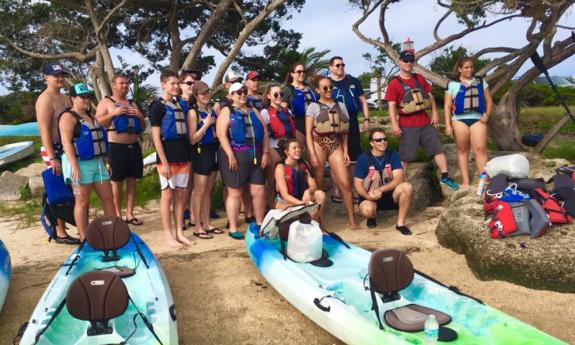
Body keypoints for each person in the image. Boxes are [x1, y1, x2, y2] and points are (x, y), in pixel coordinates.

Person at [384, 50, 459, 190]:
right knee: (405, 156)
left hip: (425, 122)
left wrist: (435, 113)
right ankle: (398, 184)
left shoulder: (419, 78)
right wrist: (394, 125)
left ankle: (445, 177)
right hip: (407, 124)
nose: (409, 63)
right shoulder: (394, 83)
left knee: (437, 149)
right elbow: (391, 105)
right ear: (400, 62)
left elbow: (430, 96)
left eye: (411, 61)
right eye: (406, 61)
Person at [59, 83, 116, 241]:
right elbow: (67, 143)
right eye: (82, 97)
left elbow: (100, 141)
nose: (86, 100)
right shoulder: (68, 117)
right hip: (80, 165)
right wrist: (74, 166)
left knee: (108, 198)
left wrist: (107, 162)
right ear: (73, 99)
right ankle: (84, 237)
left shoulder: (91, 116)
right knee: (82, 201)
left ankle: (112, 232)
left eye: (87, 96)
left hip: (98, 163)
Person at [216, 82, 270, 239]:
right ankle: (233, 227)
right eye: (238, 92)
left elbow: (265, 133)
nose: (242, 94)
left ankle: (260, 224)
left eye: (244, 91)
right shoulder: (227, 111)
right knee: (235, 192)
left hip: (256, 155)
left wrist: (266, 152)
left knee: (259, 191)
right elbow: (221, 134)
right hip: (236, 155)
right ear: (231, 95)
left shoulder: (253, 110)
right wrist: (230, 155)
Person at [35, 62, 80, 244]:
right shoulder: (45, 100)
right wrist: (52, 157)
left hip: (66, 146)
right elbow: (44, 131)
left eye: (62, 75)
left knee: (70, 187)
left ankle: (69, 224)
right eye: (56, 75)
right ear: (46, 77)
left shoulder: (64, 97)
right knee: (58, 190)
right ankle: (60, 231)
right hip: (52, 148)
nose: (60, 78)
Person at [306, 75, 358, 229]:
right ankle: (318, 220)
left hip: (336, 144)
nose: (329, 90)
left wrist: (346, 151)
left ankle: (352, 219)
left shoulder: (340, 105)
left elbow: (344, 131)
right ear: (318, 90)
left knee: (345, 183)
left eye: (330, 87)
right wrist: (312, 154)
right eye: (325, 88)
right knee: (319, 184)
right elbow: (309, 132)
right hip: (318, 143)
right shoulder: (313, 107)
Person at [149, 70, 194, 248]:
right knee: (167, 195)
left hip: (183, 155)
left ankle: (179, 233)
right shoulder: (157, 107)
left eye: (177, 83)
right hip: (167, 158)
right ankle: (168, 235)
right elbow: (155, 136)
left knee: (181, 195)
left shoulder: (179, 104)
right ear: (163, 85)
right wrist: (164, 162)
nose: (176, 86)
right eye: (172, 83)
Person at [95, 74, 146, 225]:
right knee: (116, 181)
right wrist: (113, 113)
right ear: (113, 85)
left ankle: (130, 213)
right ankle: (117, 214)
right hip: (116, 147)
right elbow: (98, 122)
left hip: (133, 146)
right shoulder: (106, 102)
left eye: (126, 83)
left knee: (132, 180)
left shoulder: (133, 104)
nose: (124, 86)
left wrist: (140, 116)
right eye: (121, 83)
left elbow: (142, 128)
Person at [353, 128, 413, 235]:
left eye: (384, 139)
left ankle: (400, 224)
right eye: (378, 140)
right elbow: (357, 185)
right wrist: (368, 196)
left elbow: (399, 179)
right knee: (367, 210)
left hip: (390, 195)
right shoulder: (363, 158)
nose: (383, 142)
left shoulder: (393, 155)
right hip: (370, 196)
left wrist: (380, 189)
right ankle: (372, 216)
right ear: (372, 143)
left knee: (407, 187)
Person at [444, 57, 493, 187]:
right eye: (466, 67)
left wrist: (487, 115)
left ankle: (484, 179)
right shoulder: (452, 84)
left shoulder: (481, 82)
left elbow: (489, 100)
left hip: (478, 119)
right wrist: (448, 125)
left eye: (471, 67)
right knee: (462, 149)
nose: (469, 69)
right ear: (460, 69)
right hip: (459, 120)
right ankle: (465, 180)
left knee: (480, 149)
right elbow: (448, 105)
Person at [329, 56, 371, 203]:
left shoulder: (353, 81)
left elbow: (363, 101)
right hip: (332, 122)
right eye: (337, 65)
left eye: (342, 64)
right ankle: (336, 190)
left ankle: (354, 189)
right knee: (335, 156)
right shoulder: (328, 83)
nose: (340, 67)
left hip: (352, 120)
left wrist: (366, 119)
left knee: (353, 156)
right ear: (331, 67)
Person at [188, 81, 222, 239]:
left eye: (208, 92)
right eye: (203, 93)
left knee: (208, 190)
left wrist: (214, 126)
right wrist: (206, 125)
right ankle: (197, 226)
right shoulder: (193, 113)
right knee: (199, 190)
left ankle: (207, 223)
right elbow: (192, 139)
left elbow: (216, 133)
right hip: (200, 151)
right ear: (196, 95)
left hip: (213, 150)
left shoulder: (210, 110)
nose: (207, 95)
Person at [260, 83, 297, 208]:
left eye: (281, 94)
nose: (279, 96)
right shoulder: (265, 113)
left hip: (287, 146)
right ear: (269, 96)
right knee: (272, 179)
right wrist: (265, 152)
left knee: (288, 177)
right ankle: (269, 205)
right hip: (273, 146)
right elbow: (264, 134)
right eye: (275, 94)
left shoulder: (288, 111)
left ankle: (287, 203)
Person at [275, 138, 326, 226]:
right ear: (286, 152)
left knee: (320, 194)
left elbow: (314, 185)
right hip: (285, 202)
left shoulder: (304, 164)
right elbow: (285, 195)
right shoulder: (280, 168)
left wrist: (308, 191)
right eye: (294, 148)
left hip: (302, 199)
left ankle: (314, 224)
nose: (298, 150)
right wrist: (301, 204)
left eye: (299, 147)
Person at [282, 63, 318, 150]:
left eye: (303, 71)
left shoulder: (310, 88)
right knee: (299, 150)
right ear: (292, 74)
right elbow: (283, 110)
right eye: (299, 71)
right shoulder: (288, 89)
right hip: (298, 124)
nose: (302, 74)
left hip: (314, 123)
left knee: (315, 151)